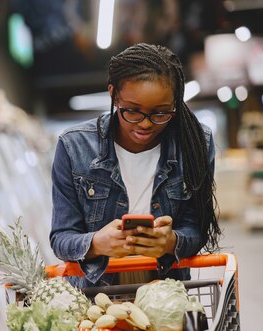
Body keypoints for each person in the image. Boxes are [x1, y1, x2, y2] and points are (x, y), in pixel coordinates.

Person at [49, 43, 221, 288]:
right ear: (114, 95)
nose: (146, 124)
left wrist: (171, 242)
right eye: (133, 111)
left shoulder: (195, 144)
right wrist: (97, 243)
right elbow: (61, 238)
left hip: (167, 295)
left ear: (175, 102)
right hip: (95, 301)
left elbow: (197, 229)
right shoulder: (74, 146)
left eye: (160, 113)